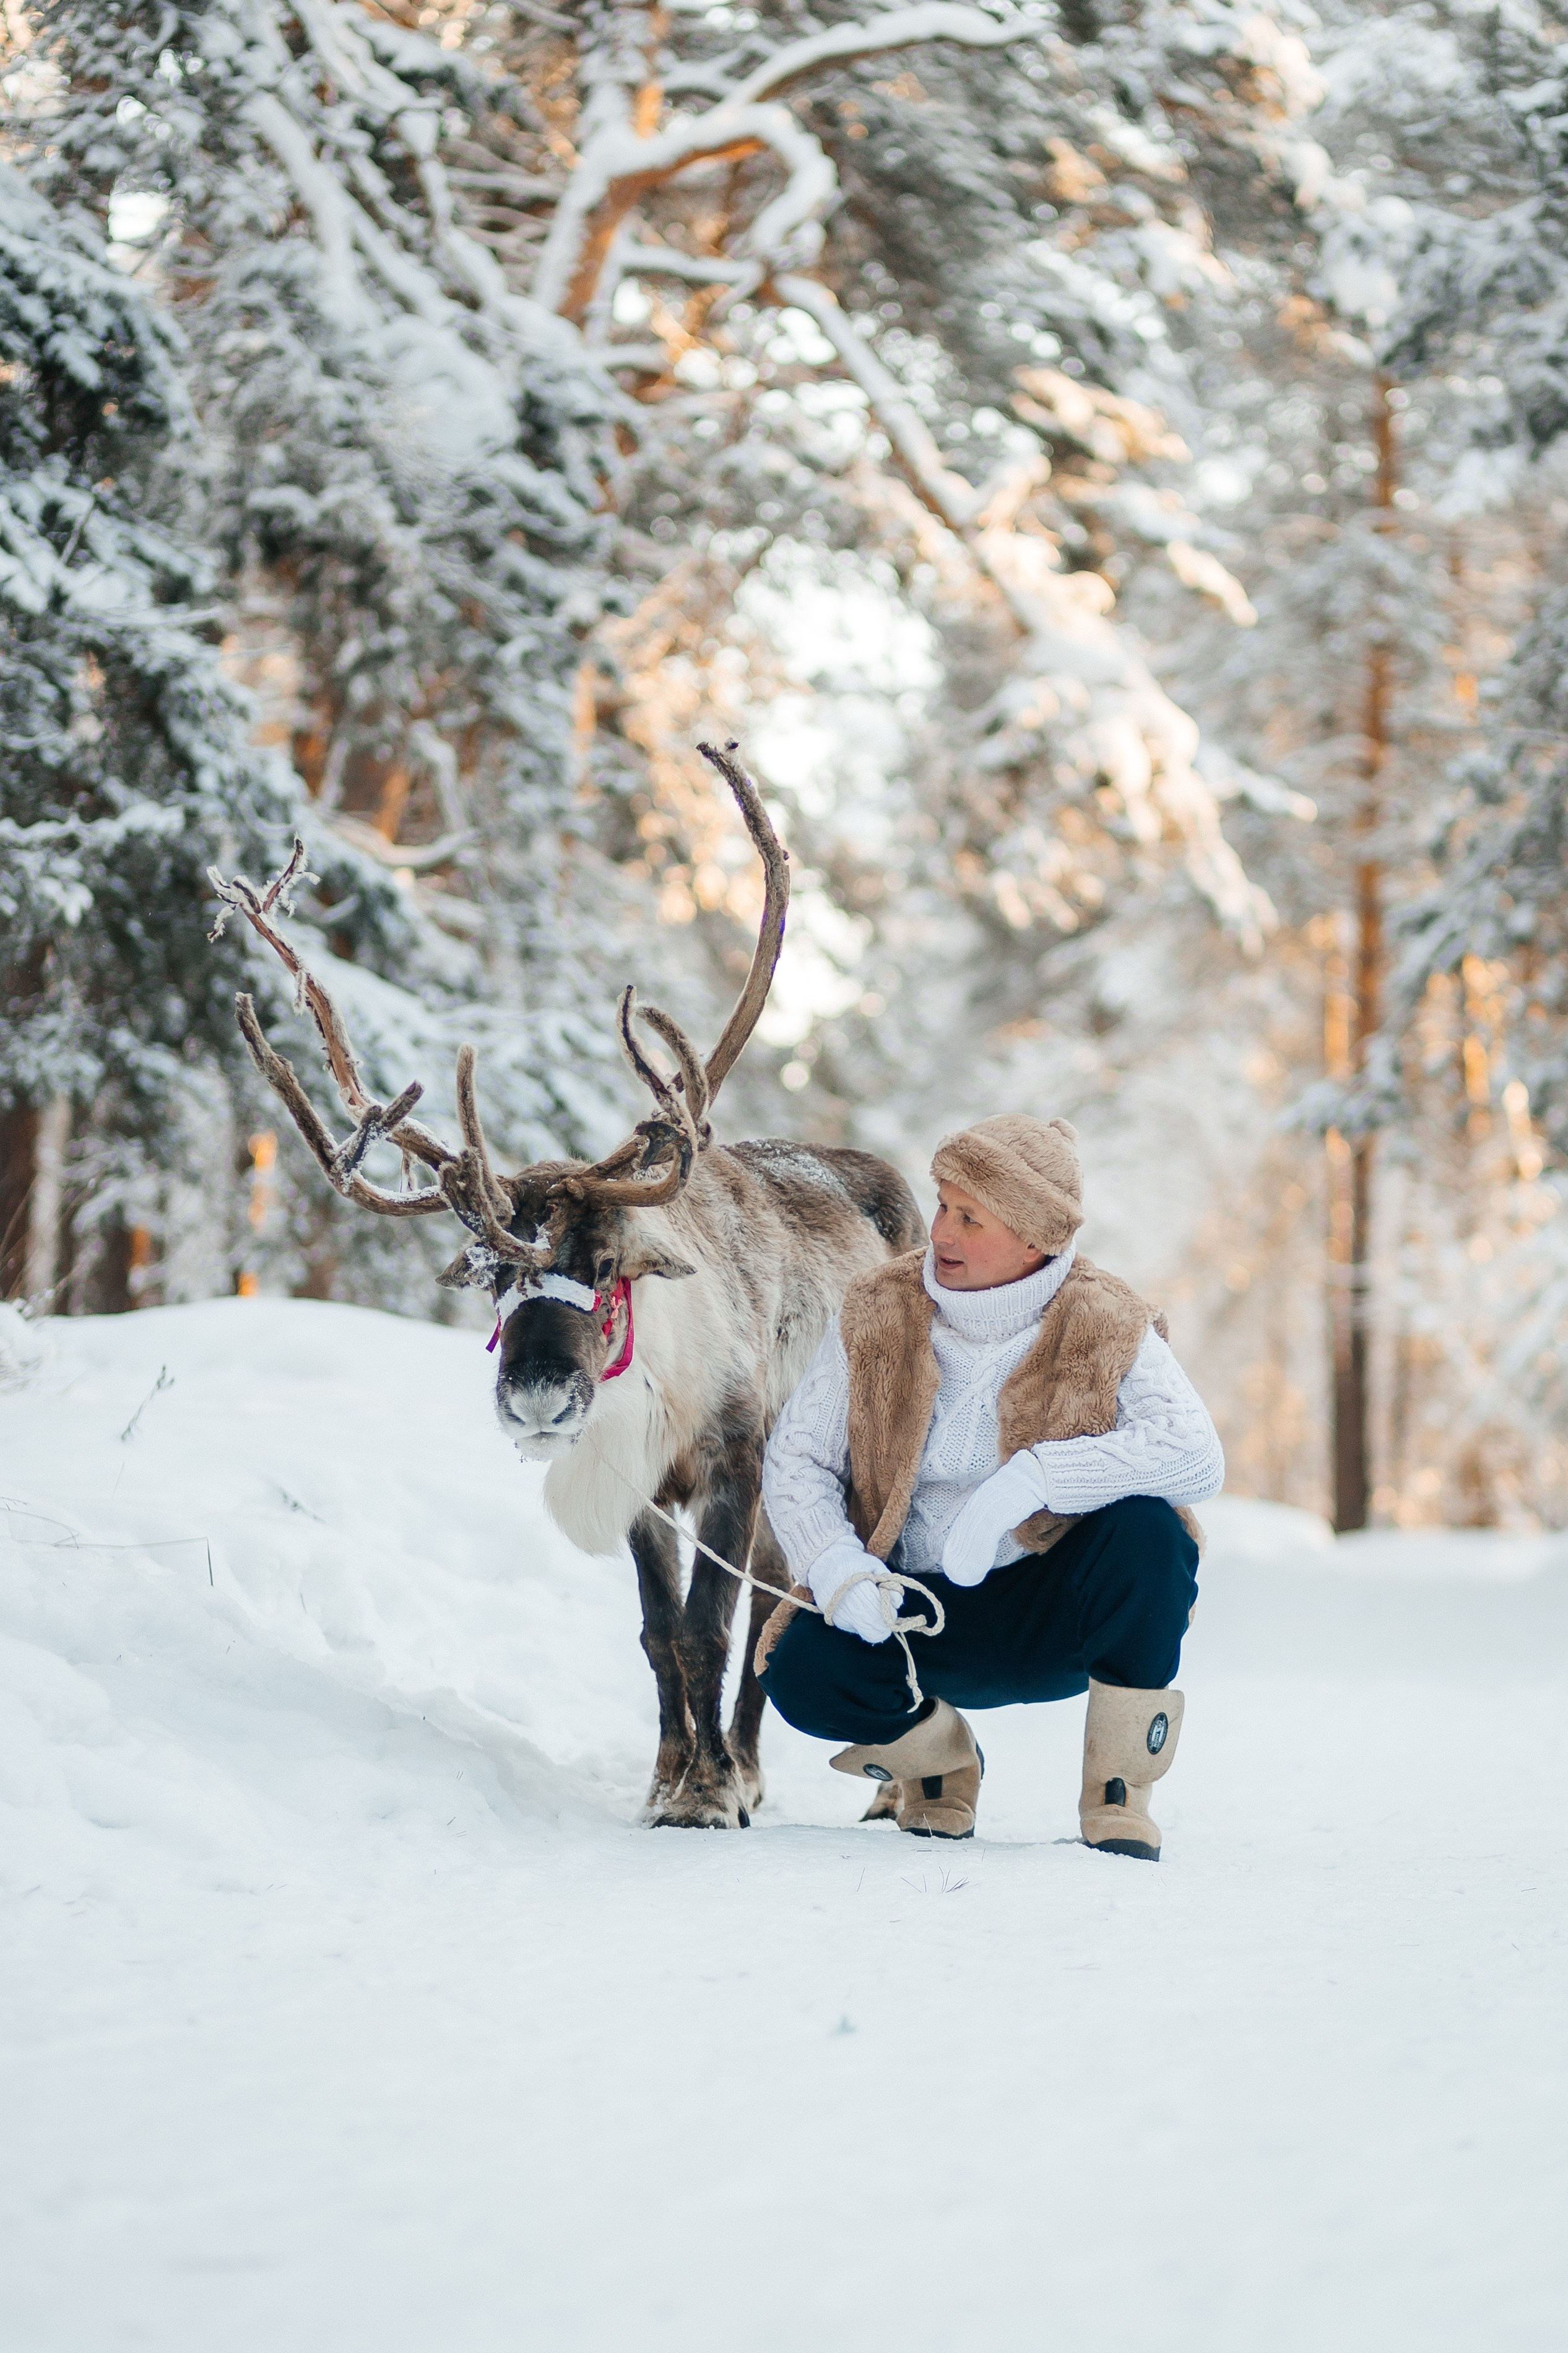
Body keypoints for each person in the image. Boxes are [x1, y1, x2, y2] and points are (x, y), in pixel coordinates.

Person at [756, 1115, 1223, 1856]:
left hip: (1051, 1612)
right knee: (800, 1666)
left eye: (969, 1216)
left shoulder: (1102, 1315)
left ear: (1035, 1236)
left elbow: (1196, 1455)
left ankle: (1118, 1794)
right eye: (942, 1204)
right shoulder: (879, 1307)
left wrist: (1035, 1481)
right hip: (917, 1619)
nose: (940, 1230)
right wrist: (840, 1571)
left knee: (1149, 1533)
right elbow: (797, 1460)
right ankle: (941, 1765)